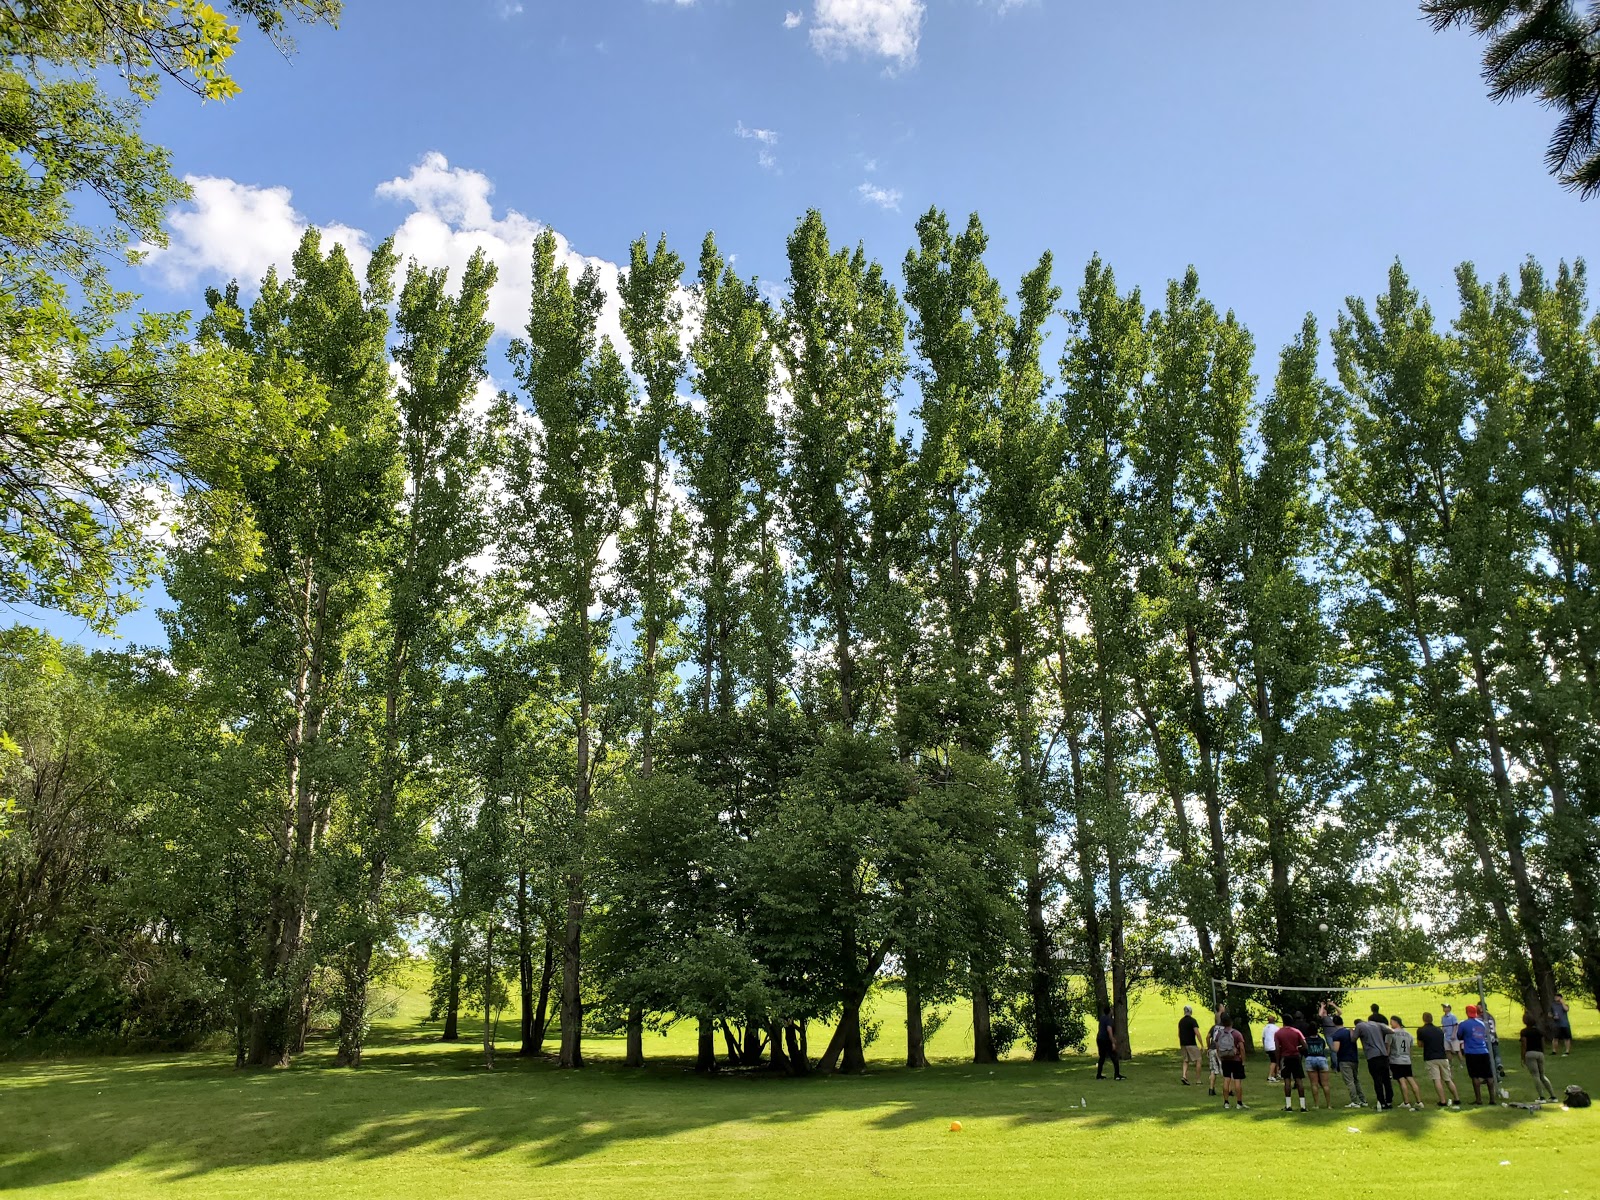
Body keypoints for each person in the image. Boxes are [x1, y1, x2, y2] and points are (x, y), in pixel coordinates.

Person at [1418, 1011, 1460, 1108]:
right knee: (1448, 1079)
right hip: (1442, 1056)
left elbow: (1420, 1045)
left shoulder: (1421, 1030)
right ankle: (1457, 1098)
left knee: (1437, 1079)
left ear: (1424, 1019)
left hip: (1431, 1058)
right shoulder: (1439, 1030)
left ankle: (1443, 1100)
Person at [1357, 1010, 1394, 1110]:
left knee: (1377, 1080)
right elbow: (1391, 1031)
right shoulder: (1379, 1027)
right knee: (1386, 1079)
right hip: (1383, 1055)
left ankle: (1381, 1102)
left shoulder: (1363, 1028)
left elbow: (1353, 1038)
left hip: (1373, 1056)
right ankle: (1389, 1100)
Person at [1458, 1004, 1495, 1104]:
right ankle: (1492, 1099)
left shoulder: (1464, 1024)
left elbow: (1459, 1036)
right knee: (1489, 1075)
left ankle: (1479, 1099)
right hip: (1483, 1051)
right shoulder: (1482, 1024)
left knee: (1475, 1076)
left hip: (1471, 1052)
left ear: (1467, 1013)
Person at [1387, 1015, 1423, 1110]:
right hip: (1406, 1060)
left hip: (1396, 1059)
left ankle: (1406, 1102)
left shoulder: (1391, 1033)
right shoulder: (1409, 1034)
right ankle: (1419, 1101)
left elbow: (1389, 1047)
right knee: (1411, 1079)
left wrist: (1387, 1057)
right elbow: (1410, 1048)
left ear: (1396, 1022)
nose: (1390, 1024)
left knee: (1401, 1080)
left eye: (1391, 1022)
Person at [1331, 1017, 1367, 1108]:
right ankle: (1363, 1100)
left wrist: (1331, 1046)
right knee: (1356, 1080)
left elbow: (1336, 1049)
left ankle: (1354, 1101)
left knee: (1349, 1081)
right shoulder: (1350, 1032)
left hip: (1344, 1060)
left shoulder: (1337, 1035)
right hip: (1354, 1059)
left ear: (1334, 1024)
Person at [1520, 1012, 1557, 1101]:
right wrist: (1542, 1053)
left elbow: (1524, 1045)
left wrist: (1523, 1057)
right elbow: (1542, 1043)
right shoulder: (1539, 1031)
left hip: (1530, 1053)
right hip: (1540, 1053)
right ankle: (1553, 1096)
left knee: (1535, 1075)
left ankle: (1541, 1097)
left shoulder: (1524, 1032)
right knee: (1542, 1075)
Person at [1274, 1015, 1308, 1112]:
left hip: (1285, 1058)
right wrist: (1297, 1048)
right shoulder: (1296, 1032)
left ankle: (1288, 1106)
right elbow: (1305, 1046)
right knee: (1299, 1080)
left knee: (1287, 1080)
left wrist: (1277, 1062)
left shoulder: (1278, 1033)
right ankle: (1303, 1106)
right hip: (1296, 1057)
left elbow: (1277, 1048)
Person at [1215, 1014, 1247, 1110]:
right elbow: (1241, 1047)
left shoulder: (1219, 1034)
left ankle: (1226, 1102)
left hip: (1225, 1059)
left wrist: (1220, 1057)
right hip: (1236, 1060)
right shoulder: (1236, 1034)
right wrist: (1243, 1060)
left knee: (1226, 1079)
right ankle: (1239, 1103)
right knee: (1237, 1081)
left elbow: (1217, 1047)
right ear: (1231, 1022)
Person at [1303, 1022, 1334, 1109]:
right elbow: (1323, 1047)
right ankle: (1329, 1104)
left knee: (1314, 1084)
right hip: (1321, 1059)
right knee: (1325, 1084)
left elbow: (1304, 1048)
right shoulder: (1321, 1040)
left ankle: (1316, 1104)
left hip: (1310, 1059)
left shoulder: (1306, 1040)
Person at [1095, 1007, 1124, 1080]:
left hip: (1099, 1039)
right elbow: (1109, 1030)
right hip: (1106, 1039)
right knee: (1114, 1056)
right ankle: (1117, 1075)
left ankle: (1099, 1075)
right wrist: (1113, 1041)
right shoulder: (1109, 1020)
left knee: (1102, 1057)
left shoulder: (1102, 1018)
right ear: (1110, 1011)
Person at [1178, 1005, 1203, 1085]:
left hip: (1183, 1043)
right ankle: (1198, 1080)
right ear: (1191, 1012)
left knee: (1185, 1060)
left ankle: (1184, 1076)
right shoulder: (1193, 1021)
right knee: (1198, 1059)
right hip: (1191, 1043)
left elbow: (1179, 1034)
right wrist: (1202, 1044)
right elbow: (1197, 1033)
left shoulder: (1181, 1021)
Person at [1207, 1008, 1228, 1096]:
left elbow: (1208, 1037)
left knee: (1213, 1070)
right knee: (1226, 1070)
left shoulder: (1214, 1027)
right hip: (1221, 1050)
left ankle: (1211, 1089)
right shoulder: (1226, 1028)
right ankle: (1228, 1089)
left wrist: (1209, 1047)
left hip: (1212, 1049)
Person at [1261, 1015, 1280, 1083]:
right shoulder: (1276, 1028)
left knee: (1274, 1060)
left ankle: (1276, 1074)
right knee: (1274, 1061)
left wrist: (1264, 1046)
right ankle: (1270, 1076)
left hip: (1267, 1046)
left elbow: (1263, 1038)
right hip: (1273, 1046)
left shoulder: (1265, 1028)